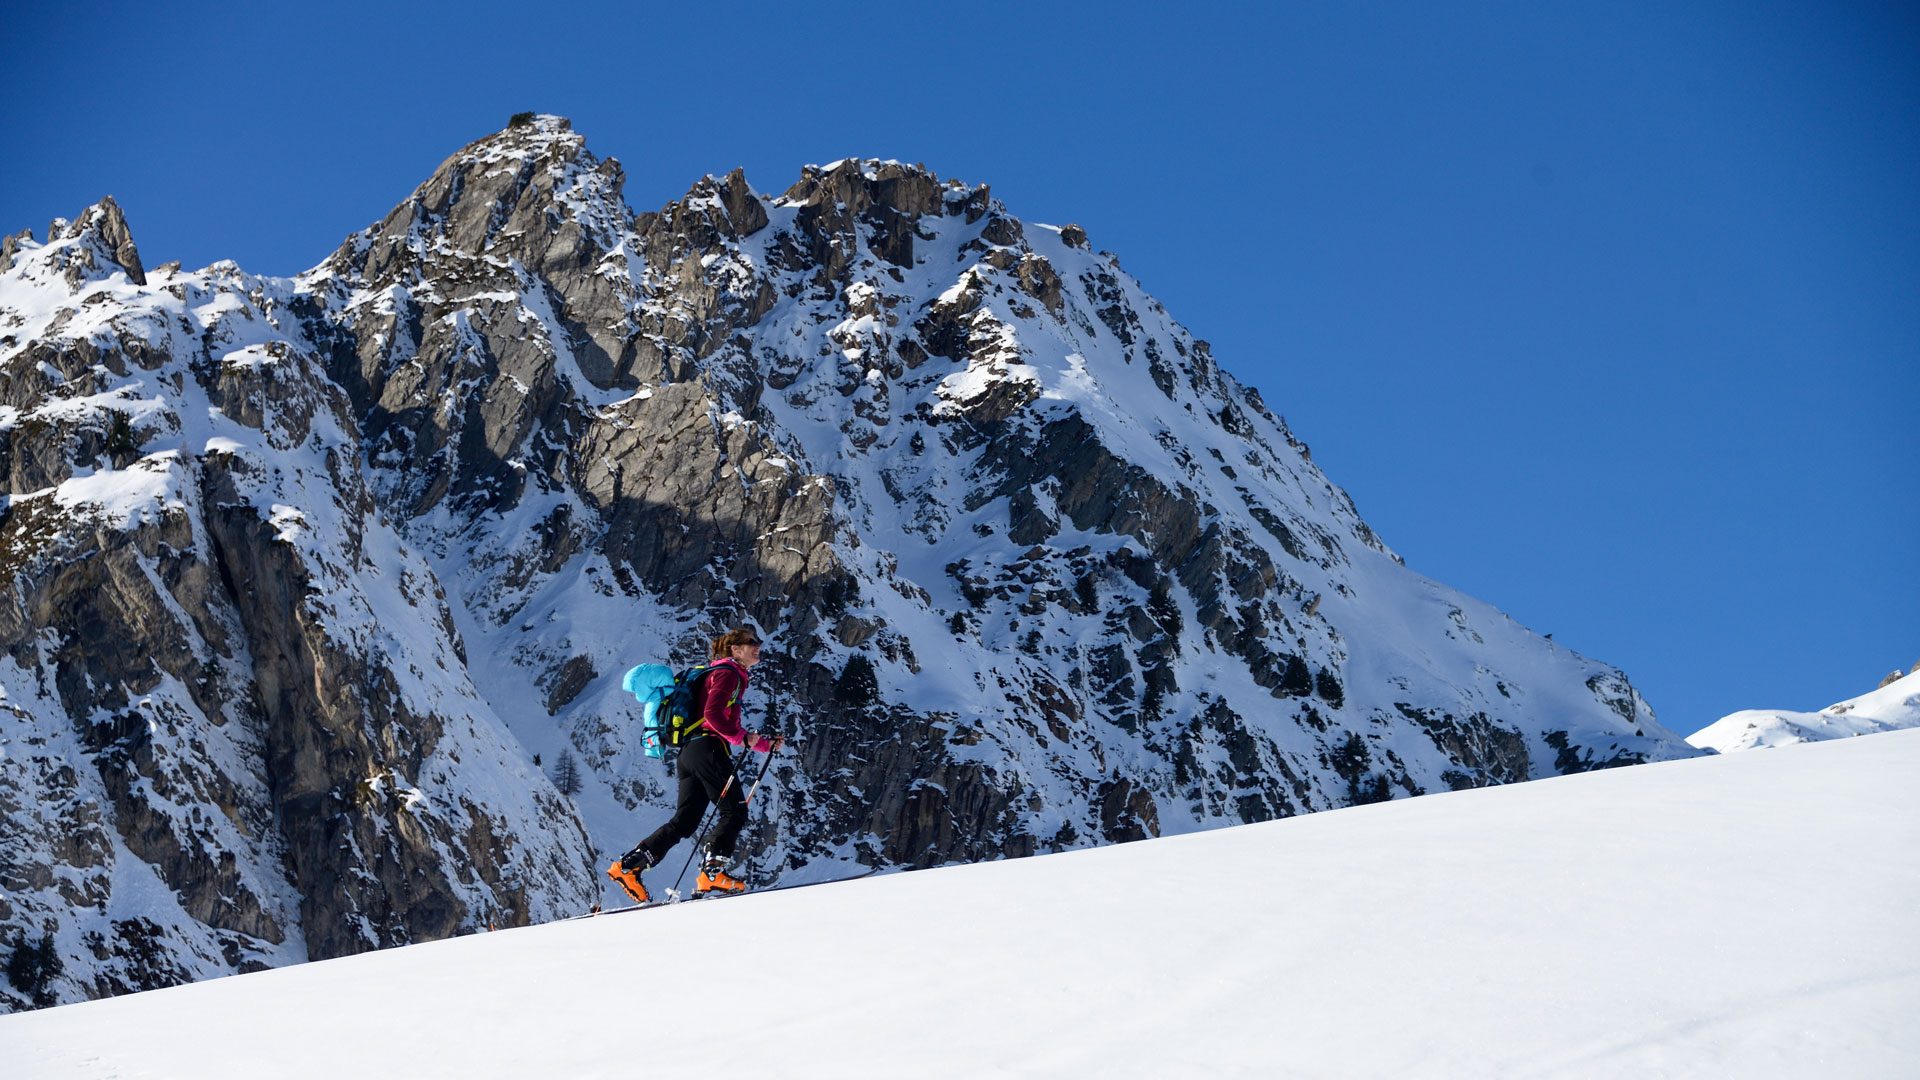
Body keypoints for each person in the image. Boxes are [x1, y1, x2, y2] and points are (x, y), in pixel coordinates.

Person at [608, 628, 784, 903]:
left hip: (690, 752)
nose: (758, 646)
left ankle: (629, 867)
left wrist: (762, 744)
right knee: (734, 812)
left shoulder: (717, 674)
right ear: (735, 650)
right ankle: (712, 873)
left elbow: (725, 724)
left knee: (684, 822)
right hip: (707, 749)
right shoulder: (728, 674)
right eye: (751, 642)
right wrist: (744, 738)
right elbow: (714, 717)